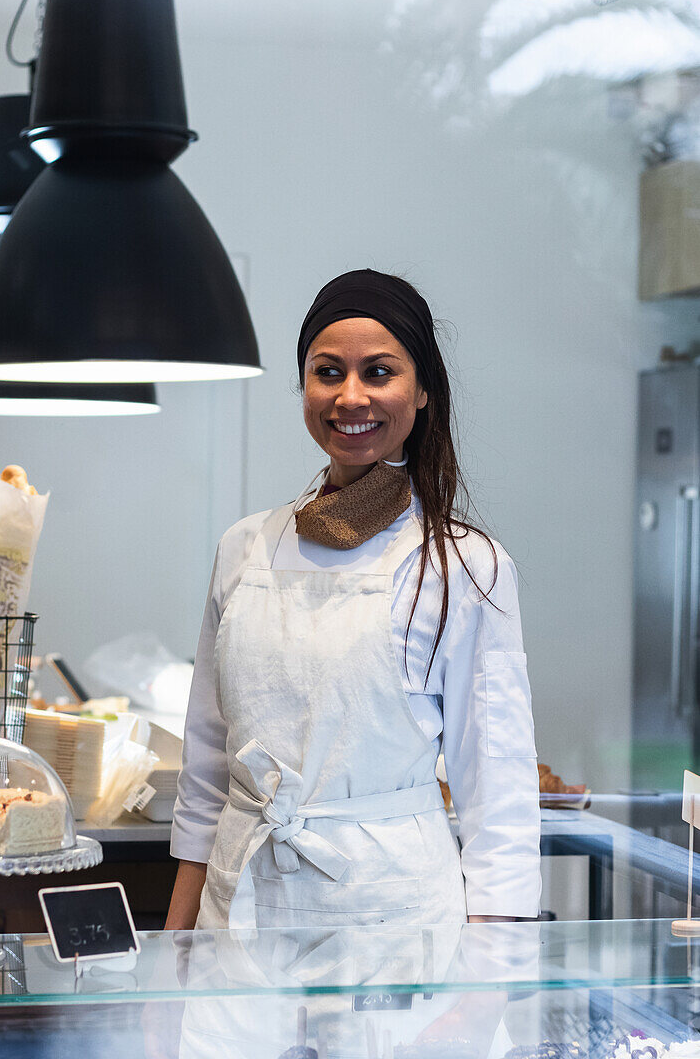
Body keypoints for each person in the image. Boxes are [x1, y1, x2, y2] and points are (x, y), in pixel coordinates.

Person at [166, 268, 541, 933]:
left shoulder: (464, 566)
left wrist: (486, 990)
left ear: (422, 389)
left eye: (378, 372)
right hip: (241, 912)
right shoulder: (244, 549)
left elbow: (497, 794)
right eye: (327, 371)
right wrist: (175, 956)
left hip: (390, 920)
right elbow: (205, 775)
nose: (350, 396)